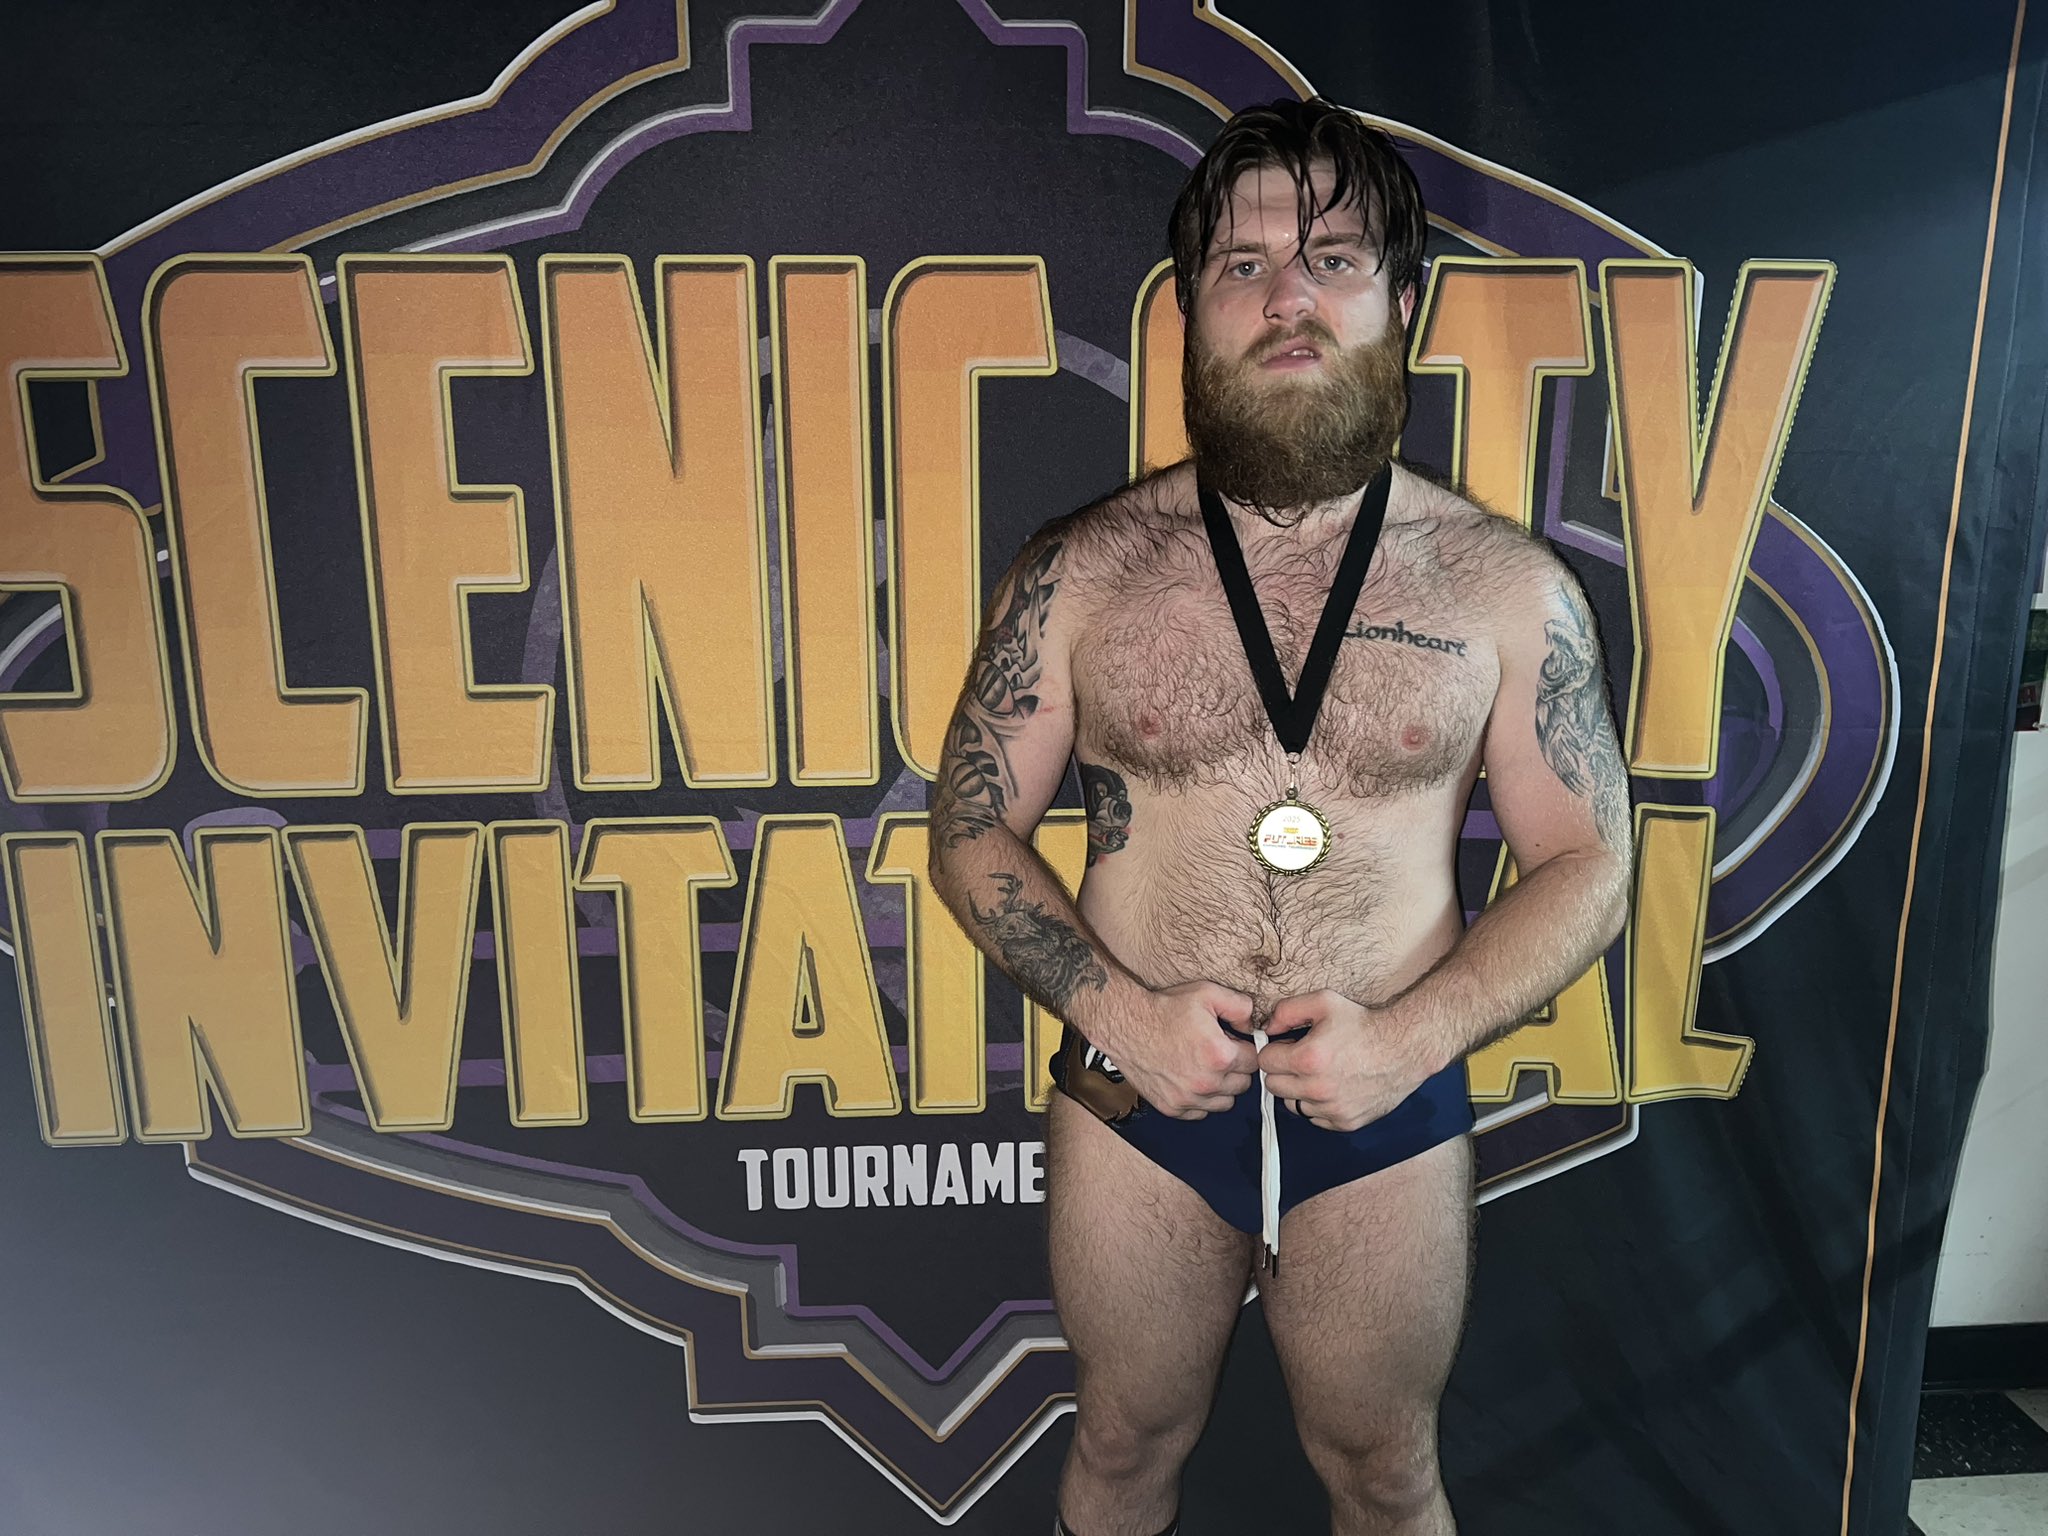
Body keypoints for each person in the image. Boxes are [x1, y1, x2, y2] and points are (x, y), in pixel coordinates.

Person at [927, 97, 1632, 1536]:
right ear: (1189, 312)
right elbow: (969, 830)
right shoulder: (1083, 572)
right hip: (1141, 1096)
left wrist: (1411, 1042)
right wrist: (1117, 1012)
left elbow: (1589, 862)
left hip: (1382, 1091)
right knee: (1122, 1444)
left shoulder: (1505, 590)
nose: (1288, 297)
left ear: (1400, 302)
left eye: (1334, 259)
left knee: (1385, 1470)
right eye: (1243, 265)